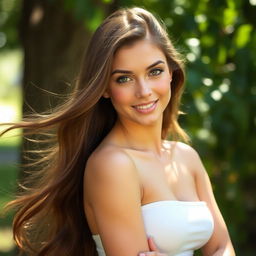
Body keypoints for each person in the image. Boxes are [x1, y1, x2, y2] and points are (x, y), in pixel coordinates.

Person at [1, 7, 235, 256]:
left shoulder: (186, 157)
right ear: (104, 88)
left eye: (154, 71)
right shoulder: (113, 165)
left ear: (171, 73)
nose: (144, 90)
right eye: (124, 78)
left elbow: (223, 246)